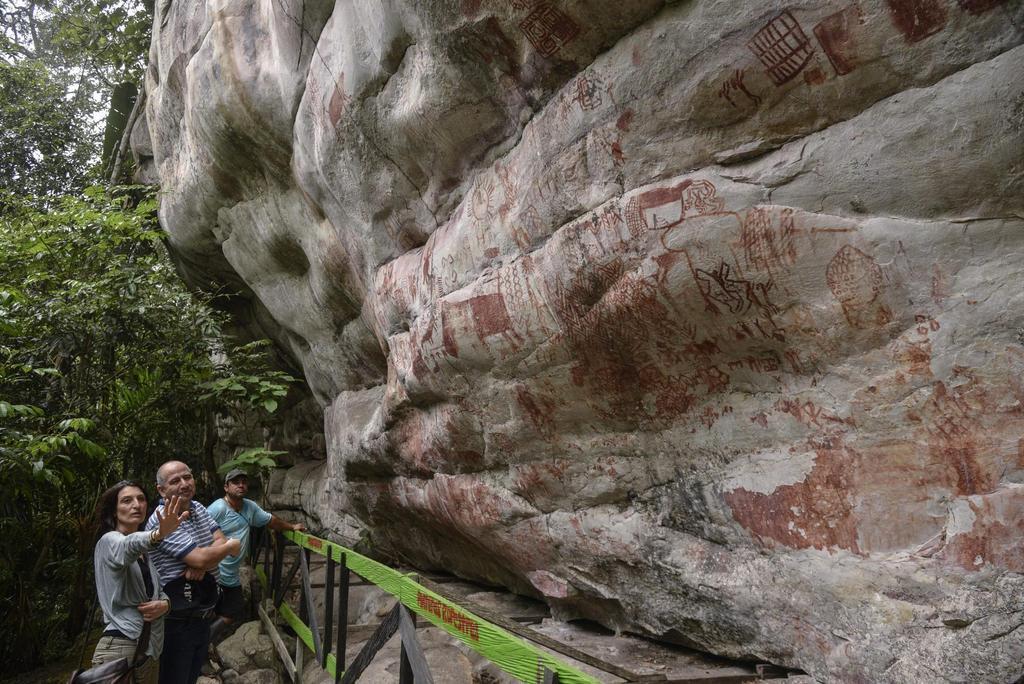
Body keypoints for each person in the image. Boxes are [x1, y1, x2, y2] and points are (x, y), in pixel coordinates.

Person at [145, 461, 241, 684]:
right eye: (175, 481)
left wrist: (203, 561)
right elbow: (210, 553)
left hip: (201, 615)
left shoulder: (197, 508)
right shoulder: (162, 520)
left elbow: (219, 539)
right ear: (161, 490)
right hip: (175, 621)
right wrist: (224, 550)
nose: (184, 484)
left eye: (187, 477)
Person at [91, 481, 189, 684]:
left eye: (141, 499)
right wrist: (158, 534)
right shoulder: (110, 541)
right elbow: (127, 546)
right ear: (114, 512)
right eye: (127, 500)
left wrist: (165, 604)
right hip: (120, 645)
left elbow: (158, 593)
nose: (137, 504)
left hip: (149, 648)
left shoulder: (145, 555)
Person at [207, 468, 304, 639]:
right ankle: (202, 645)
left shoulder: (250, 507)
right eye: (236, 482)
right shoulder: (217, 509)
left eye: (244, 482)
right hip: (213, 571)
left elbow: (271, 520)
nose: (241, 485)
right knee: (207, 609)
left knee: (232, 609)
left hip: (231, 574)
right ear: (226, 487)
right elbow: (200, 533)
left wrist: (291, 527)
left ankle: (206, 639)